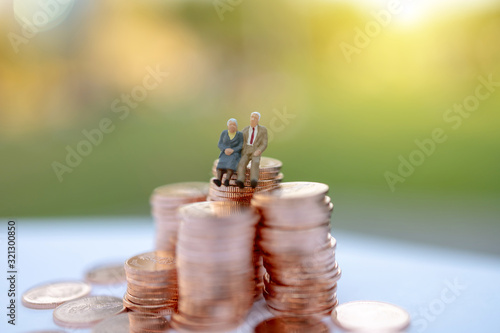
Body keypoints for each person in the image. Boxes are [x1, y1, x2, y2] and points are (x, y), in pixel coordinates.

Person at [236, 112, 268, 189]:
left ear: (258, 120)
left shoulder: (263, 130)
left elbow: (264, 143)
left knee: (255, 163)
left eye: (255, 118)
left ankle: (254, 180)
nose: (253, 119)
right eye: (252, 117)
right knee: (241, 163)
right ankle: (240, 180)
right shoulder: (245, 130)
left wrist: (259, 150)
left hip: (255, 149)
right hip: (246, 149)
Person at [214, 118, 243, 187]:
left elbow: (241, 145)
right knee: (220, 165)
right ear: (228, 126)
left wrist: (233, 150)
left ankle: (227, 180)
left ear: (236, 126)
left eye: (234, 125)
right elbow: (220, 144)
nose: (232, 126)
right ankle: (218, 180)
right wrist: (225, 149)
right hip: (225, 153)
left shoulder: (239, 135)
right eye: (230, 124)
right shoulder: (224, 133)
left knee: (231, 165)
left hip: (235, 153)